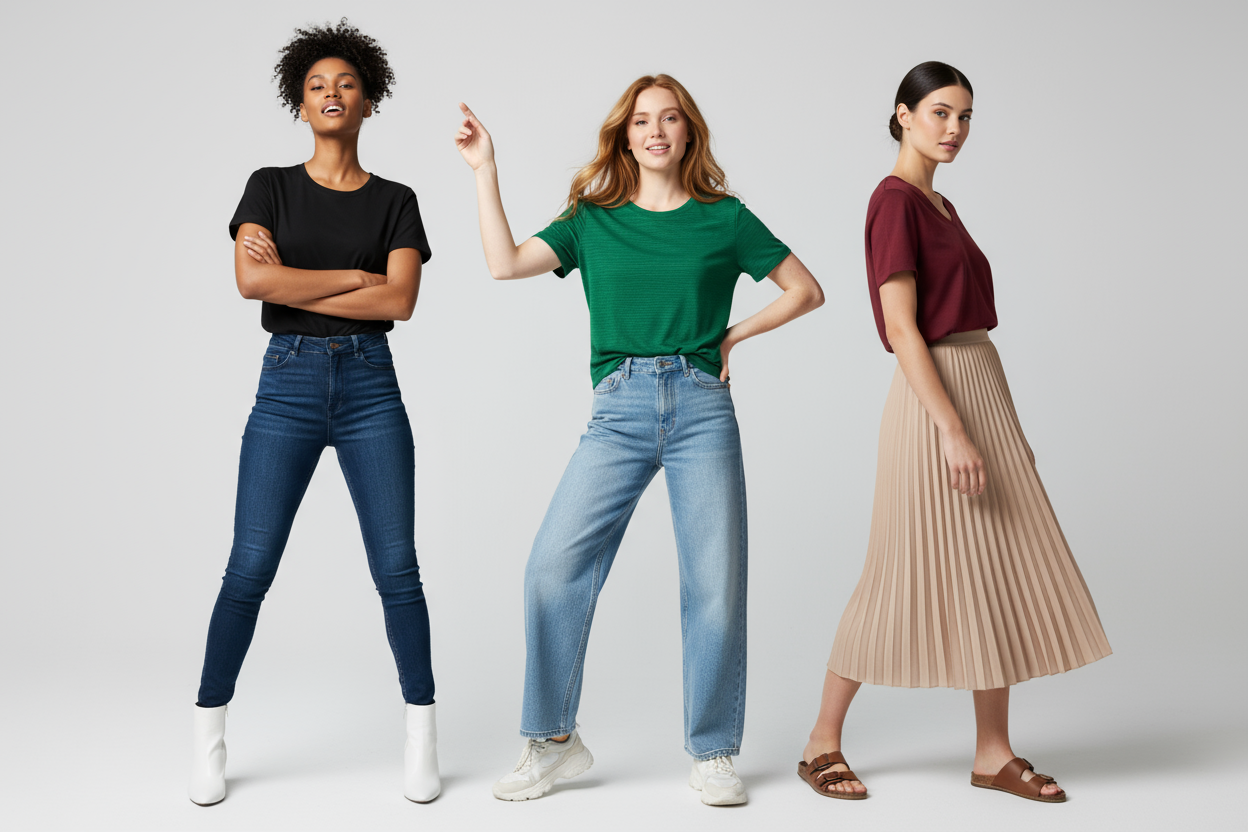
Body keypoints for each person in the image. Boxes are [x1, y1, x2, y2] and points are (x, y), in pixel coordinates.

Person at [455, 74, 823, 806]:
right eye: (643, 120)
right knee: (551, 568)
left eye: (671, 119)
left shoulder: (724, 218)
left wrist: (732, 338)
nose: (657, 131)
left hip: (700, 406)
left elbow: (805, 290)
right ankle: (554, 742)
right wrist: (484, 169)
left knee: (714, 585)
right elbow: (504, 263)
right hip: (618, 407)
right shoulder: (593, 220)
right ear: (625, 135)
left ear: (689, 132)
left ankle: (714, 752)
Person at [799, 61, 1111, 804]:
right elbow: (904, 330)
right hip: (934, 400)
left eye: (966, 117)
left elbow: (964, 327)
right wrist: (952, 430)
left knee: (995, 563)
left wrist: (996, 428)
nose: (954, 129)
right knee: (895, 572)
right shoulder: (894, 203)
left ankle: (993, 754)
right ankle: (820, 744)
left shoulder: (941, 206)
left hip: (979, 391)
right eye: (940, 113)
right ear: (902, 115)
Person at [189, 19, 439, 806]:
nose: (332, 95)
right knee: (249, 567)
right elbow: (253, 285)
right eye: (316, 86)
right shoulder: (268, 185)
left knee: (397, 569)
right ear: (300, 104)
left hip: (371, 387)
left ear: (370, 100)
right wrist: (354, 278)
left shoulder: (397, 199)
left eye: (347, 84)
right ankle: (208, 739)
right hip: (287, 385)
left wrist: (307, 275)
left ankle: (422, 738)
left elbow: (399, 300)